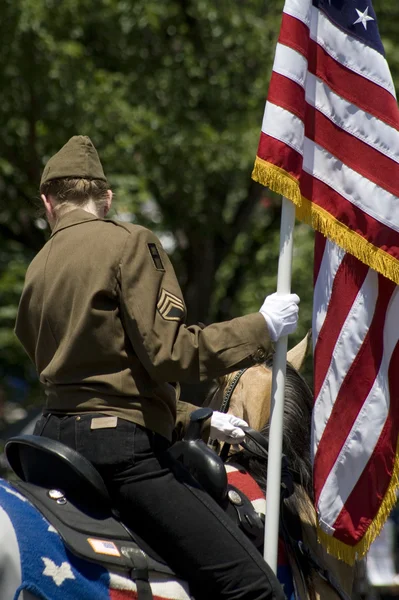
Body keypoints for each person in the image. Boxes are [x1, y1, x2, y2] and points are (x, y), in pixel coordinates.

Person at [15, 135, 300, 600]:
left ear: (49, 202)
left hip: (50, 442)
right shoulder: (130, 243)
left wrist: (195, 417)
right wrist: (262, 326)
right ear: (105, 197)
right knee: (255, 588)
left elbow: (83, 377)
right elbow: (172, 355)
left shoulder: (36, 266)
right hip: (122, 454)